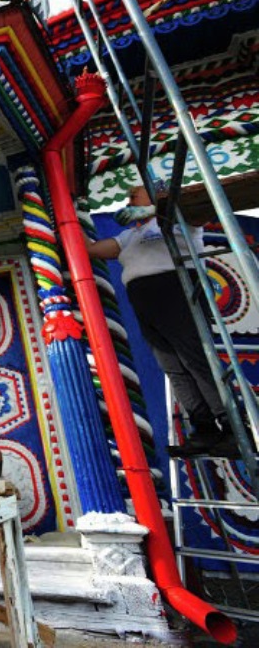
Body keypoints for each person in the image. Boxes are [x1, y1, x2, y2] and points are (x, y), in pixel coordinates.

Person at [85, 184, 236, 458]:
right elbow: (93, 250)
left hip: (175, 288)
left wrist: (157, 209)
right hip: (144, 298)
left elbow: (202, 208)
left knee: (194, 357)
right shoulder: (130, 235)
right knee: (172, 365)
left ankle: (232, 425)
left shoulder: (179, 221)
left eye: (136, 192)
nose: (130, 197)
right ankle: (204, 429)